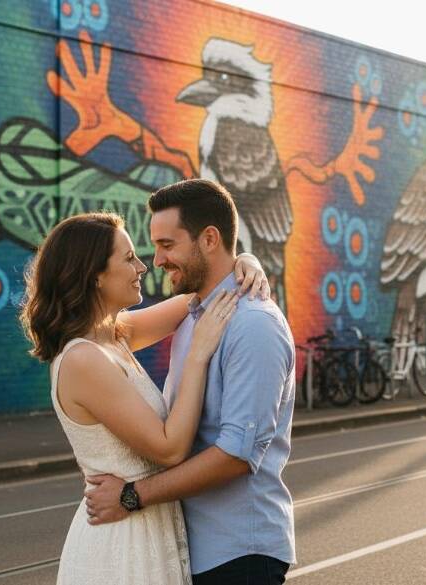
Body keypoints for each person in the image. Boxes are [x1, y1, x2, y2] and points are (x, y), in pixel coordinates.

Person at [19, 210, 270, 585]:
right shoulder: (83, 359)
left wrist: (245, 262)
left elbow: (205, 294)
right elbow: (170, 450)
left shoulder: (113, 336)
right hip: (122, 541)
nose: (142, 266)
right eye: (128, 258)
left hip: (145, 524)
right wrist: (198, 355)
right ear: (95, 276)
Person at [84, 179, 296, 585]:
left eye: (167, 245)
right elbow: (103, 332)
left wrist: (131, 496)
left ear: (210, 239)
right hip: (194, 551)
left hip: (239, 553)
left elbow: (236, 455)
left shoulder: (254, 325)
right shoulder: (194, 315)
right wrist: (244, 258)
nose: (156, 260)